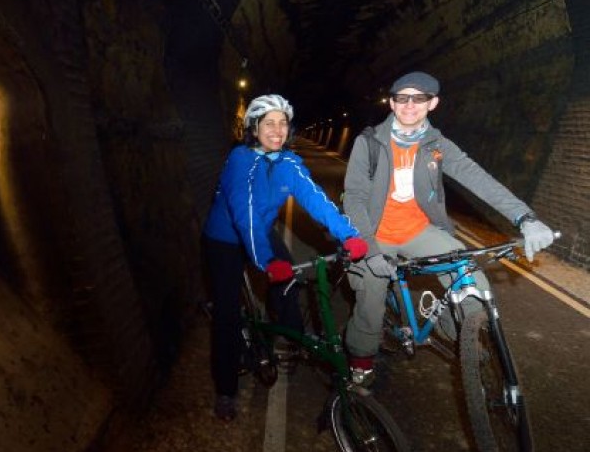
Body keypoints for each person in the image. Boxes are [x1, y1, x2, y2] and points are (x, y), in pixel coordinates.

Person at [341, 71, 556, 386]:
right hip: (375, 234)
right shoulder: (370, 142)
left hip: (418, 231)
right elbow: (355, 199)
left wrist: (524, 217)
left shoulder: (436, 144)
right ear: (392, 102)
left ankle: (457, 331)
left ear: (433, 103)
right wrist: (369, 249)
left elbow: (476, 177)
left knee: (472, 280)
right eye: (403, 98)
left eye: (419, 98)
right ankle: (361, 361)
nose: (410, 105)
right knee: (370, 299)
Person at [202, 94, 369, 421]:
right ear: (254, 128)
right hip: (225, 238)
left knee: (289, 279)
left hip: (261, 232)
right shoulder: (240, 159)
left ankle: (289, 340)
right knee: (227, 317)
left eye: (282, 123)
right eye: (269, 124)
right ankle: (225, 391)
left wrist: (349, 235)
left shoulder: (289, 163)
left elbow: (315, 199)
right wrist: (266, 261)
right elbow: (244, 213)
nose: (277, 130)